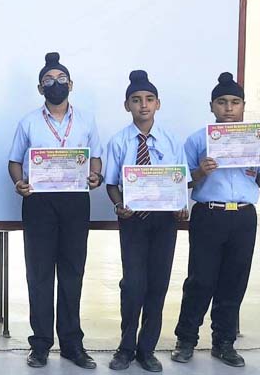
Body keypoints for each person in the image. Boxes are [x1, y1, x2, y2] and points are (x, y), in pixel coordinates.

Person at [7, 52, 103, 369]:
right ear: (40, 88)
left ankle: (72, 344)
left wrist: (96, 175)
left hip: (75, 201)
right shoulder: (28, 122)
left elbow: (96, 158)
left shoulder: (86, 120)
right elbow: (14, 161)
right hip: (39, 202)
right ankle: (40, 345)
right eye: (48, 80)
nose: (55, 84)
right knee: (39, 274)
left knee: (73, 272)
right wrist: (19, 182)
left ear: (71, 84)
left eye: (61, 79)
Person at [171, 72, 257, 368]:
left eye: (235, 102)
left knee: (234, 280)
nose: (228, 108)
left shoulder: (255, 139)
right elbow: (179, 181)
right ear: (212, 106)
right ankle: (186, 340)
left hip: (244, 216)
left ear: (243, 105)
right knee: (200, 279)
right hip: (209, 214)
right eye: (222, 102)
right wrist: (200, 171)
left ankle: (224, 343)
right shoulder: (198, 139)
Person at [104, 70, 188, 372]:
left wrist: (182, 206)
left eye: (149, 99)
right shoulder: (119, 141)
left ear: (158, 104)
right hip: (133, 222)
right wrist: (118, 205)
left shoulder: (171, 140)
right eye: (136, 100)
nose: (143, 105)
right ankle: (126, 348)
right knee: (133, 285)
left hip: (165, 222)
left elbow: (181, 180)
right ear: (127, 105)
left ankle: (147, 349)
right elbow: (111, 183)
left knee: (158, 284)